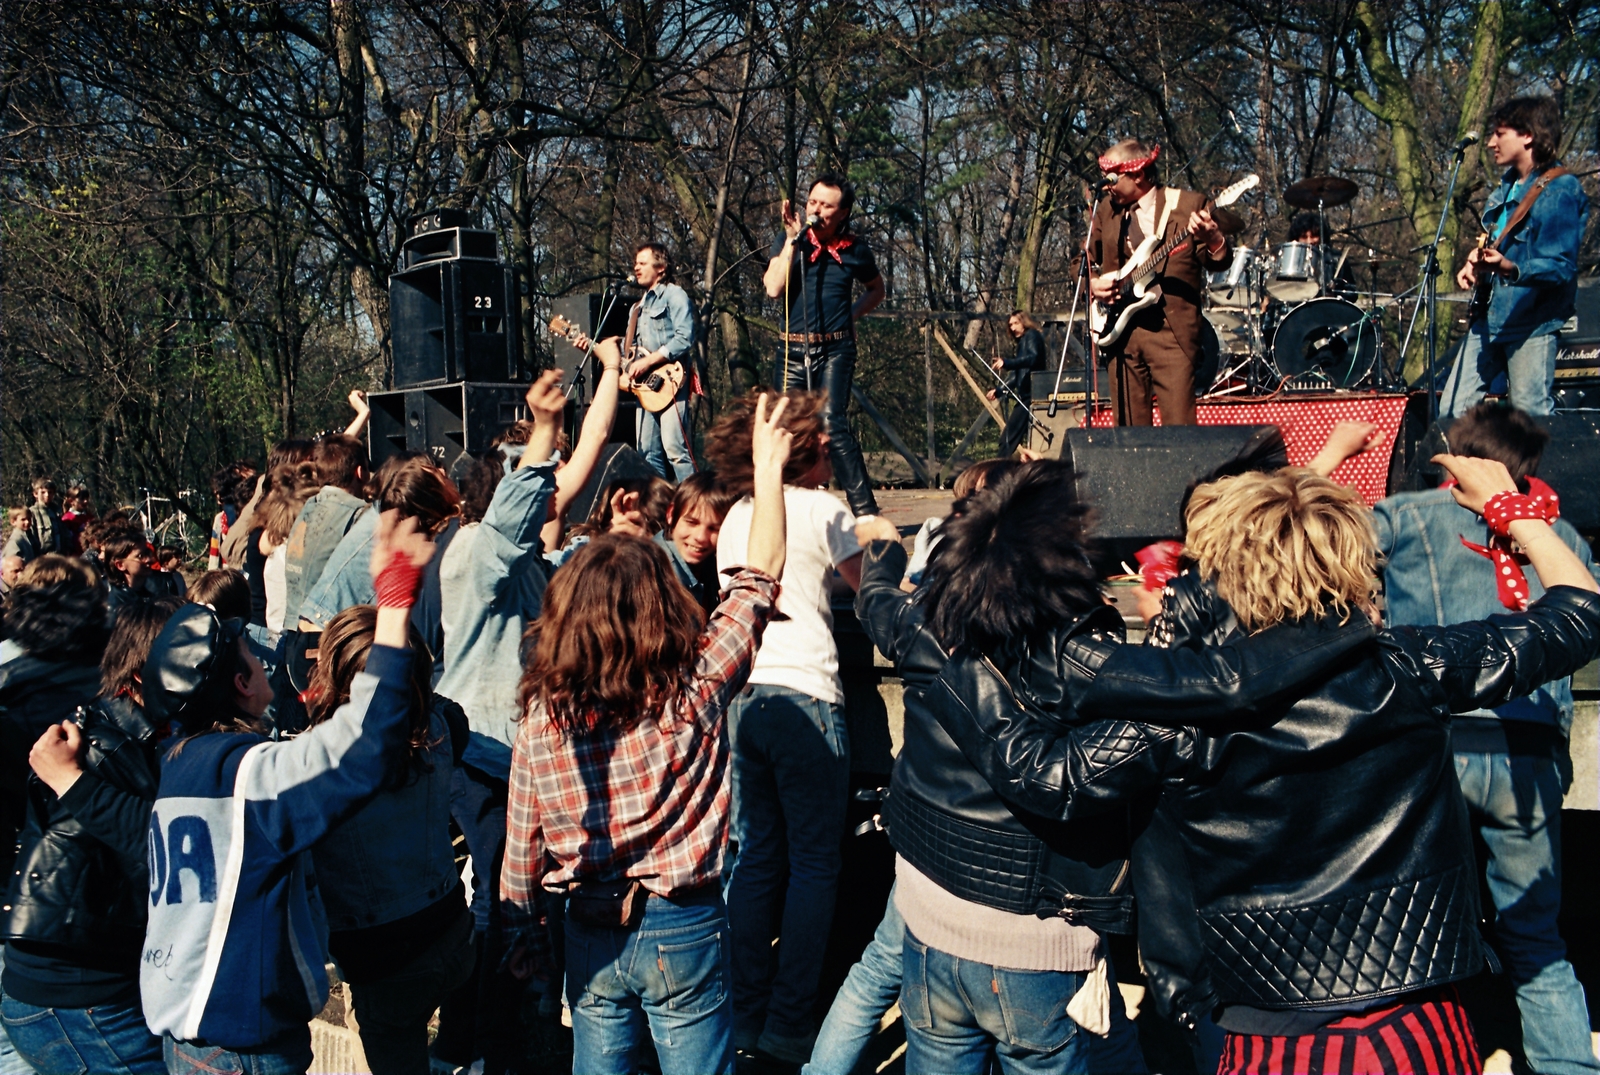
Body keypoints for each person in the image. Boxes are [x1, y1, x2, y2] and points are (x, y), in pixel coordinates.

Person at [928, 460, 1600, 1073]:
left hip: (1270, 1035)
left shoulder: (1179, 713)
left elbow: (1049, 777)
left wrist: (952, 648)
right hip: (1418, 1025)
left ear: (1221, 568)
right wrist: (1510, 509)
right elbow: (1577, 611)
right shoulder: (1410, 666)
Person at [500, 393, 794, 1075]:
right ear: (663, 605)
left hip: (587, 926)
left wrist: (527, 940)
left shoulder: (542, 714)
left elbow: (522, 853)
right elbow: (758, 581)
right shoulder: (692, 693)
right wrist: (769, 470)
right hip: (681, 920)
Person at [138, 510, 435, 1075]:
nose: (263, 656)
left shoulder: (180, 764)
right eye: (250, 652)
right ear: (242, 683)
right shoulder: (245, 779)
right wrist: (395, 599)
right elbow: (364, 745)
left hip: (190, 1039)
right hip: (240, 1047)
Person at [1362, 402, 1600, 1074]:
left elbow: (1319, 541)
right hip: (1526, 755)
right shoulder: (1563, 539)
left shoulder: (1409, 516)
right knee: (1537, 939)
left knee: (1413, 939)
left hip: (1438, 750)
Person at [430, 364, 617, 1075]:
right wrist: (543, 432)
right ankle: (476, 1045)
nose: (555, 488)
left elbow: (583, 463)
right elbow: (526, 505)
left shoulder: (537, 564)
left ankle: (517, 1030)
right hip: (485, 757)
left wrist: (603, 385)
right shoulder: (478, 553)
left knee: (526, 900)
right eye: (536, 479)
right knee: (499, 901)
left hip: (526, 759)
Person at [704, 391, 864, 1067]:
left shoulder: (737, 514)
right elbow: (869, 586)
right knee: (815, 865)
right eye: (823, 438)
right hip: (806, 699)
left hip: (745, 700)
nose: (832, 445)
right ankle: (791, 1026)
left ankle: (744, 1013)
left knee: (760, 856)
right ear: (801, 448)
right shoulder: (828, 508)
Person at [1, 595, 183, 1075]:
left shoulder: (147, 732)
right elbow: (165, 848)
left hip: (87, 983)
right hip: (73, 994)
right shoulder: (100, 745)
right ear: (144, 672)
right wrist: (72, 783)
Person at [305, 605, 474, 1075]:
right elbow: (446, 710)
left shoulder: (319, 764)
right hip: (451, 929)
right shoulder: (439, 730)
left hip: (385, 962)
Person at [1441, 95, 1588, 419]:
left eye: (1500, 133)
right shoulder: (1506, 187)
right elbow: (1499, 244)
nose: (1492, 142)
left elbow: (1560, 267)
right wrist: (1475, 262)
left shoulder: (1559, 189)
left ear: (1528, 135)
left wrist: (1509, 267)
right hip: (1489, 318)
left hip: (1531, 323)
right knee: (1451, 412)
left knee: (1531, 419)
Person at [762, 171, 887, 519]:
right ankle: (783, 509)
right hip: (792, 349)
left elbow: (877, 290)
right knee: (786, 425)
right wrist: (790, 239)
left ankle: (865, 512)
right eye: (812, 202)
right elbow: (772, 288)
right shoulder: (790, 241)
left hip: (836, 349)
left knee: (832, 423)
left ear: (842, 213)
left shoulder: (855, 249)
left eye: (826, 205)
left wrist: (851, 316)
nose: (816, 210)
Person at [1090, 139, 1231, 426]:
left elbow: (1218, 261)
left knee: (1180, 434)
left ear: (1138, 175)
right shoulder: (1106, 210)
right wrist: (1092, 283)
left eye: (1113, 179)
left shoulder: (1189, 204)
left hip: (1172, 333)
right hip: (1120, 334)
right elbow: (1082, 260)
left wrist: (1214, 240)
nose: (1107, 186)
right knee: (1129, 437)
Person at [281, 432, 372, 626]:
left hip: (291, 625)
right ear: (360, 473)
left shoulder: (308, 507)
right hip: (325, 633)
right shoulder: (357, 515)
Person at [627, 242, 699, 481]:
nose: (636, 267)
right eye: (636, 263)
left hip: (670, 384)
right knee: (646, 453)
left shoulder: (674, 295)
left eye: (643, 263)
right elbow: (630, 352)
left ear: (661, 267)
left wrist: (649, 363)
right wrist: (593, 346)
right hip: (646, 390)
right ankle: (658, 508)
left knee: (676, 451)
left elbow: (684, 337)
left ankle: (695, 505)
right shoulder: (636, 308)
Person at [658, 472, 738, 612]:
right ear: (671, 514)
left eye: (714, 529)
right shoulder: (656, 577)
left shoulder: (711, 565)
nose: (700, 537)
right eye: (691, 522)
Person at [987, 313, 1046, 457]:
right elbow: (1017, 374)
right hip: (1026, 395)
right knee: (1009, 438)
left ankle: (1000, 470)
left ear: (1024, 322)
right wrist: (1000, 390)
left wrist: (1008, 363)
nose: (1012, 328)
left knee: (1008, 438)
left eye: (1015, 323)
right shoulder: (1022, 342)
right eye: (1010, 325)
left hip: (1032, 394)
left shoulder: (1032, 336)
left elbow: (1033, 358)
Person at [27, 480, 64, 556]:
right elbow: (31, 538)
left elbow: (64, 533)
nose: (47, 495)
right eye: (43, 492)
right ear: (35, 494)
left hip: (59, 555)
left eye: (50, 492)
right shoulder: (32, 513)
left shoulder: (57, 511)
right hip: (42, 557)